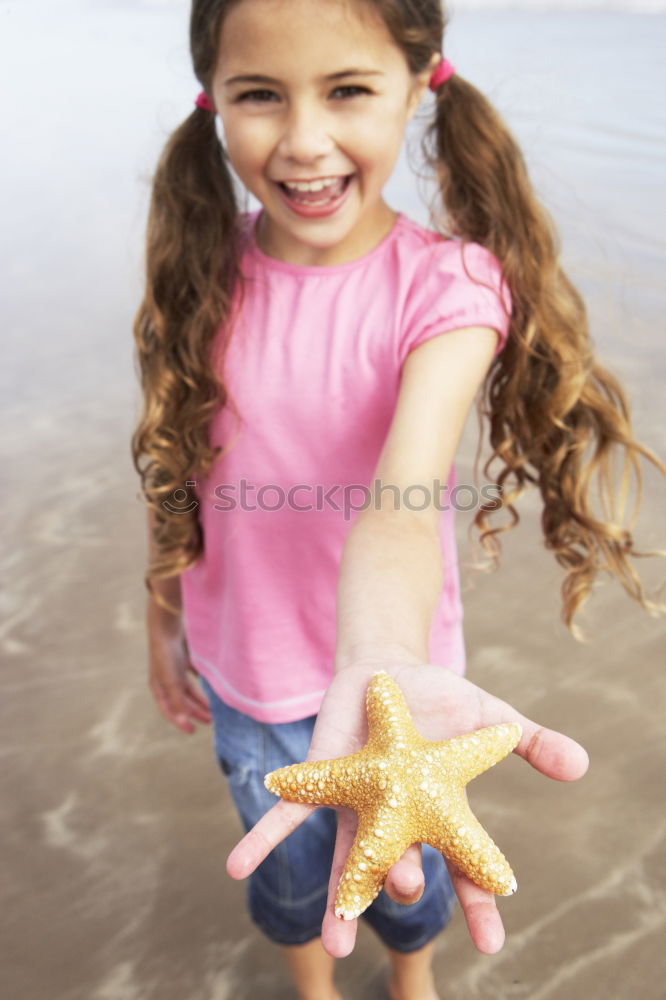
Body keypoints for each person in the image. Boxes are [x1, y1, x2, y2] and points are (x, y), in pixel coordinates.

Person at [131, 1, 664, 997]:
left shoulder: (448, 289)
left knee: (411, 881)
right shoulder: (203, 272)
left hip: (398, 686)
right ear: (213, 101)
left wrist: (375, 658)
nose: (303, 140)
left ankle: (411, 974)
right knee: (288, 872)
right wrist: (160, 611)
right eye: (260, 95)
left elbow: (403, 500)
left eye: (347, 91)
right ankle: (314, 985)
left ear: (418, 87)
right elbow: (176, 464)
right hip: (245, 677)